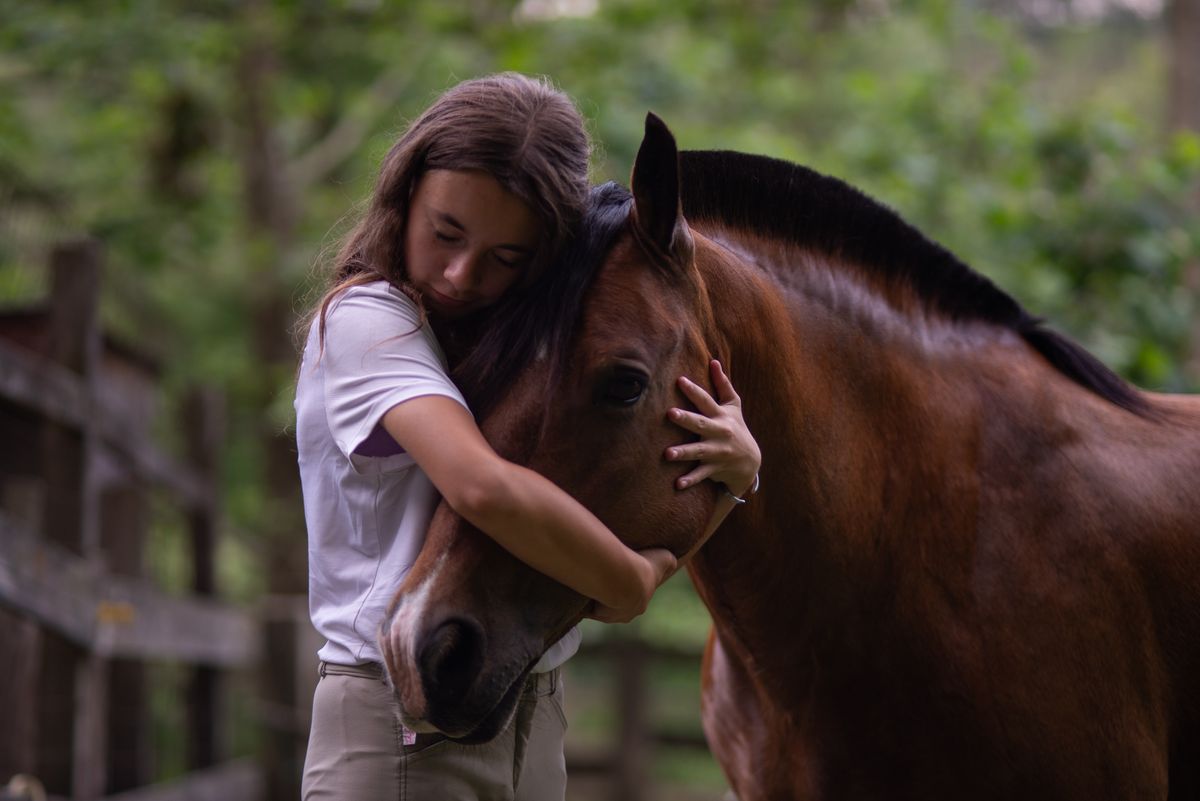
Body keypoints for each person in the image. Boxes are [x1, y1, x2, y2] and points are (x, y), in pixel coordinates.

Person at [295, 73, 761, 801]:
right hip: (398, 719)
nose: (460, 273)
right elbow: (482, 488)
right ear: (405, 193)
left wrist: (735, 480)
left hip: (531, 710)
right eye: (445, 232)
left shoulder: (522, 355)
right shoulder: (369, 322)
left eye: (506, 258)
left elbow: (586, 558)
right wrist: (635, 581)